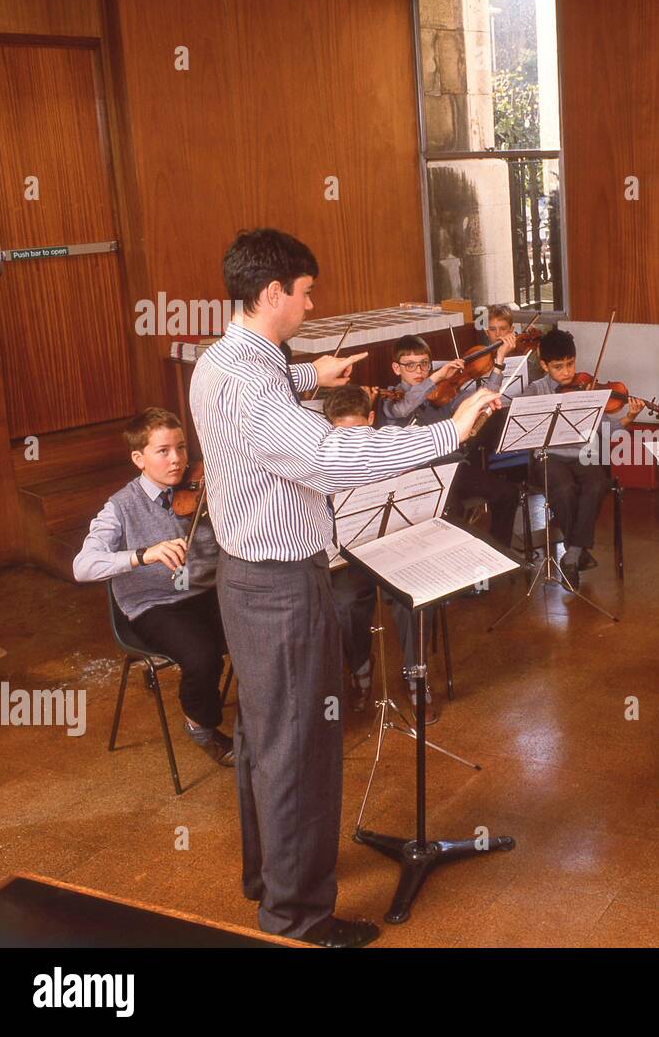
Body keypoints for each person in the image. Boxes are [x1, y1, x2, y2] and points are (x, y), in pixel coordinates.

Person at [190, 228, 499, 948]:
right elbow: (329, 455)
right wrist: (446, 431)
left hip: (245, 578)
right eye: (304, 292)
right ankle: (298, 917)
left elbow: (262, 401)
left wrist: (311, 378)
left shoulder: (225, 358)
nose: (309, 303)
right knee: (300, 749)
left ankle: (268, 879)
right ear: (272, 293)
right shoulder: (248, 379)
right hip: (279, 584)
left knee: (268, 743)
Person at [73, 408, 230, 765]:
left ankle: (268, 717)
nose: (176, 460)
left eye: (182, 448)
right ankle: (200, 725)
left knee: (261, 629)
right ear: (138, 458)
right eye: (163, 451)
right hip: (154, 603)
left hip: (206, 590)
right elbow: (82, 566)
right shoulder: (120, 507)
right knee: (202, 656)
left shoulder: (203, 487)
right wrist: (142, 555)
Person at [522, 328, 646, 586]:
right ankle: (578, 551)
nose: (567, 372)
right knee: (565, 488)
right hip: (547, 456)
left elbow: (606, 428)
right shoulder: (535, 391)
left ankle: (572, 555)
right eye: (558, 367)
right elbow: (522, 428)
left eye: (570, 364)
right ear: (544, 365)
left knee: (597, 482)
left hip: (581, 454)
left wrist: (629, 417)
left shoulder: (586, 388)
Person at [377, 335, 518, 553]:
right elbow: (405, 409)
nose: (419, 371)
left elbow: (483, 400)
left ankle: (499, 555)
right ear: (397, 368)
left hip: (454, 468)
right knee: (452, 510)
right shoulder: (391, 398)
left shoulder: (443, 393)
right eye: (410, 365)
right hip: (419, 474)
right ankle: (455, 572)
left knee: (507, 492)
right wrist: (435, 377)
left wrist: (498, 361)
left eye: (424, 364)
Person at [321, 386, 381, 713]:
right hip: (325, 554)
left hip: (368, 549)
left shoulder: (383, 452)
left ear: (370, 420)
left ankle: (360, 666)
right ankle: (320, 684)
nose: (348, 444)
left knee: (345, 605)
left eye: (356, 433)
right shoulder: (320, 457)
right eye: (340, 435)